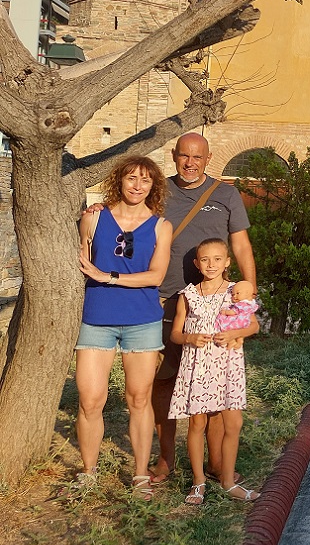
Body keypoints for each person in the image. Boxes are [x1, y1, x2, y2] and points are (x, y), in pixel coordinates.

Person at [152, 133, 256, 484]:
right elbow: (130, 220)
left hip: (216, 307)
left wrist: (248, 289)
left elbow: (241, 245)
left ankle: (214, 465)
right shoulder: (158, 191)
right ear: (174, 155)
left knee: (212, 390)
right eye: (184, 156)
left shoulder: (226, 194)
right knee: (163, 384)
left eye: (198, 157)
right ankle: (166, 459)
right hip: (167, 301)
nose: (190, 163)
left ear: (208, 159)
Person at [74, 156, 172, 499]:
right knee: (89, 399)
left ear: (153, 186)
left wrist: (108, 276)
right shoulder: (94, 218)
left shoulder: (161, 226)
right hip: (96, 318)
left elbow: (156, 276)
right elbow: (79, 261)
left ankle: (141, 474)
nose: (137, 186)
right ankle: (88, 473)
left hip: (142, 321)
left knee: (139, 399)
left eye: (145, 180)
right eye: (131, 178)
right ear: (120, 180)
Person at [170, 238, 261, 503]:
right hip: (197, 364)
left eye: (218, 259)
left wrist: (236, 331)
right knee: (197, 423)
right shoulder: (188, 295)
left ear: (227, 262)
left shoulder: (235, 291)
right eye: (206, 260)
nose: (211, 265)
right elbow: (176, 333)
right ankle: (198, 481)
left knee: (233, 422)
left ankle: (228, 480)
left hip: (227, 365)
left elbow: (253, 325)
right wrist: (189, 338)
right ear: (197, 264)